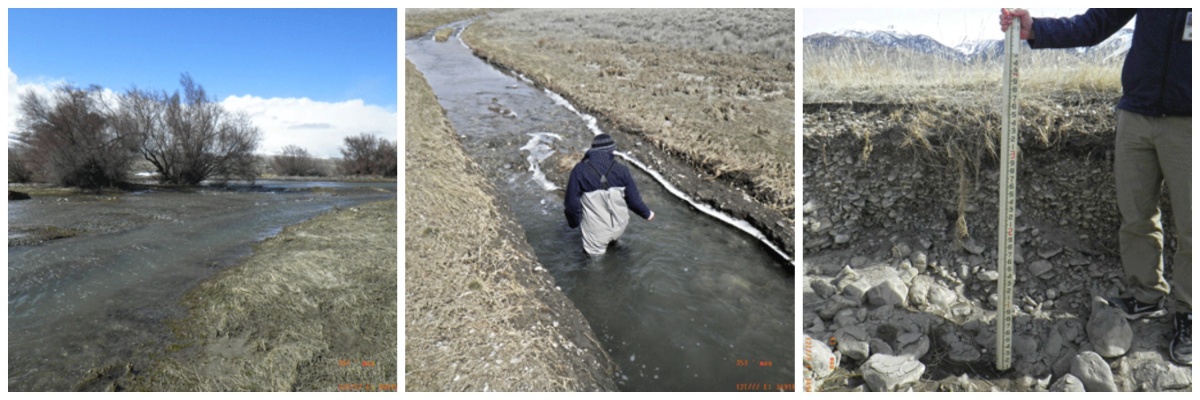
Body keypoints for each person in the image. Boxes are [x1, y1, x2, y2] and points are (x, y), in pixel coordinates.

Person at [1001, 8, 1191, 366]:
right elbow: (1097, 23)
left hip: (1189, 123)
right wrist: (1036, 29)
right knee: (1136, 215)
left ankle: (1190, 311)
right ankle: (1146, 293)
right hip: (1136, 115)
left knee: (1192, 226)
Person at [564, 133, 654, 255]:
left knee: (595, 264)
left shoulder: (580, 170)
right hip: (619, 226)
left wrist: (574, 223)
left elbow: (571, 204)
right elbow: (634, 200)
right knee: (614, 239)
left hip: (596, 233)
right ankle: (616, 245)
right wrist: (647, 213)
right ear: (612, 150)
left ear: (593, 150)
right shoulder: (622, 170)